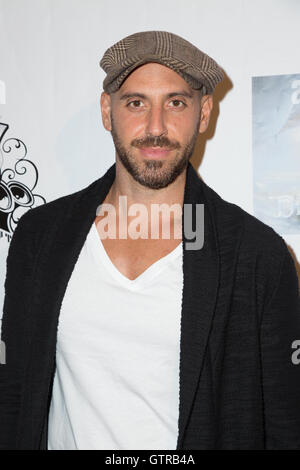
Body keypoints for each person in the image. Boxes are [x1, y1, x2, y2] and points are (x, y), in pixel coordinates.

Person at [0, 30, 299, 450]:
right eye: (136, 102)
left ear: (204, 113)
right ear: (108, 111)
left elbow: (285, 422)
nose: (155, 127)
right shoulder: (40, 237)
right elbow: (13, 393)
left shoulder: (256, 256)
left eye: (176, 103)